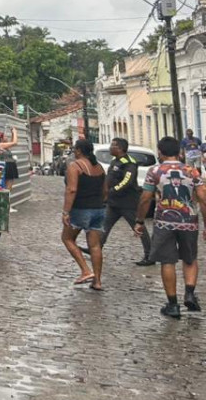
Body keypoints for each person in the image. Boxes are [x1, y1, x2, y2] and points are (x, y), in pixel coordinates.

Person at [136, 136, 206, 318]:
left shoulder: (155, 171)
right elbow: (203, 197)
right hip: (189, 221)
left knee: (167, 261)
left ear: (160, 152)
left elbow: (145, 198)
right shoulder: (192, 171)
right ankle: (189, 293)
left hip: (164, 222)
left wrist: (140, 220)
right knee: (190, 258)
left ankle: (173, 304)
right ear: (179, 151)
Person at [82, 137, 152, 265]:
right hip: (113, 203)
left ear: (119, 148)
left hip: (128, 203)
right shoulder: (115, 161)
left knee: (138, 228)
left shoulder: (129, 163)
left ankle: (150, 254)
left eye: (112, 146)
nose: (110, 148)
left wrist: (113, 190)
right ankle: (96, 248)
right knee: (104, 226)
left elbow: (127, 181)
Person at [61, 138, 105, 291]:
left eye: (75, 149)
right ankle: (97, 281)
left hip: (81, 209)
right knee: (95, 245)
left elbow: (71, 189)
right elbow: (104, 189)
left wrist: (66, 211)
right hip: (99, 209)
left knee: (67, 238)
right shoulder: (99, 167)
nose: (73, 151)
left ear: (79, 150)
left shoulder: (76, 166)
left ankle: (85, 270)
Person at [0, 126, 20, 212]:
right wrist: (15, 131)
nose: (7, 137)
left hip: (10, 165)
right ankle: (5, 206)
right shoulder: (0, 145)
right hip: (6, 165)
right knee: (7, 187)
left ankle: (5, 205)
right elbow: (15, 142)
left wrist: (13, 132)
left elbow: (13, 142)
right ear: (1, 138)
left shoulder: (5, 146)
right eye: (5, 136)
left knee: (8, 187)